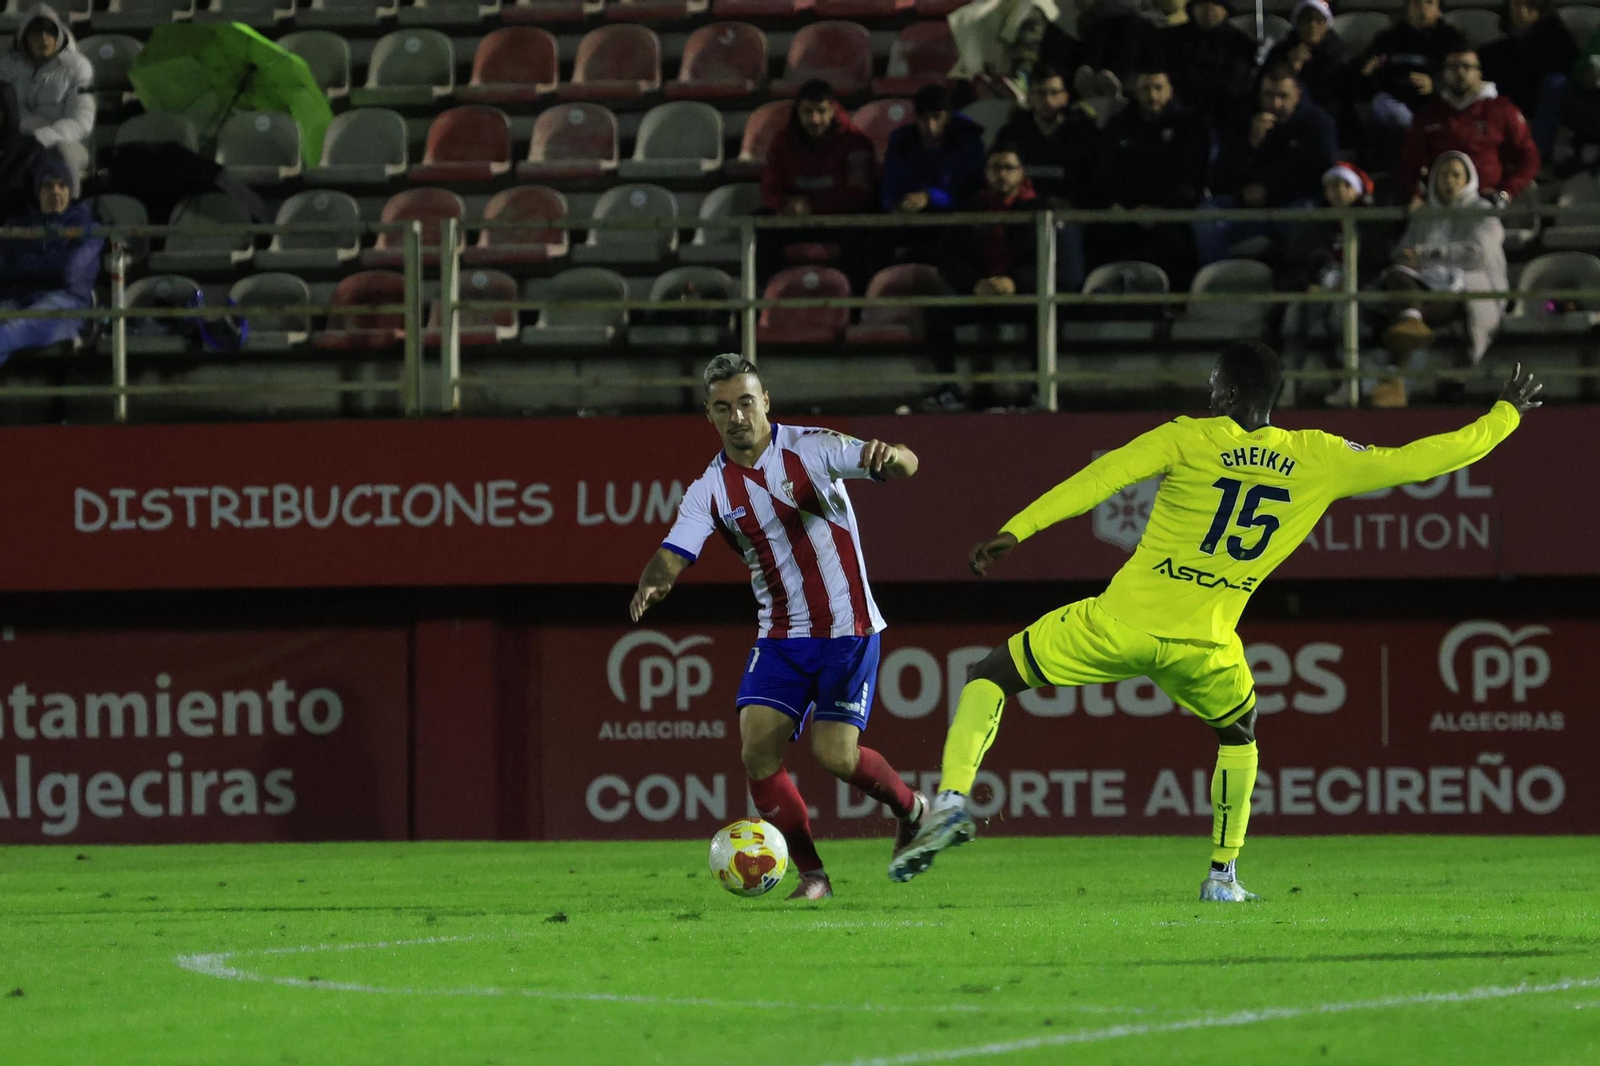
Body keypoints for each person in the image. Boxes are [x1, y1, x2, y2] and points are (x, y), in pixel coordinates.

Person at [889, 342, 1543, 897]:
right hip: (1206, 646)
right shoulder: (1318, 454)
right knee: (1240, 736)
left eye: (1212, 383)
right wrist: (1505, 416)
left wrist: (1016, 532)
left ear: (1227, 389)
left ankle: (950, 801)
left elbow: (1100, 481)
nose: (1208, 391)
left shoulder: (1188, 436)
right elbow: (1425, 457)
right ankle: (1223, 874)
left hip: (1119, 623)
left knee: (990, 674)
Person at [630, 355, 926, 902]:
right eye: (723, 408)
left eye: (745, 402)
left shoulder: (813, 447)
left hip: (849, 628)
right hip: (782, 636)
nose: (737, 415)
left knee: (835, 757)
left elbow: (901, 463)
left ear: (765, 401)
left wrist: (895, 458)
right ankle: (813, 874)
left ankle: (911, 809)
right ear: (710, 415)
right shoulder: (710, 489)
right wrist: (655, 580)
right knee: (756, 753)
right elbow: (675, 551)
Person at [1377, 151, 1508, 403]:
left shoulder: (1483, 211)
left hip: (1468, 286)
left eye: (1456, 175)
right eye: (1443, 174)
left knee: (1405, 315)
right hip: (1425, 283)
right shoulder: (1426, 212)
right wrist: (1406, 255)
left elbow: (1477, 254)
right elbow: (1403, 249)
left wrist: (1426, 254)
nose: (1449, 180)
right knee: (1396, 278)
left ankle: (1396, 379)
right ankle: (1411, 321)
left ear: (1467, 179)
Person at [1197, 63, 1337, 266]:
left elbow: (1321, 179)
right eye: (1268, 95)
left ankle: (1298, 283)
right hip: (1247, 209)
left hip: (1293, 205)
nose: (1275, 104)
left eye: (1283, 96)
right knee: (1206, 215)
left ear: (1297, 94)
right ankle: (1222, 282)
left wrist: (1270, 190)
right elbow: (1219, 178)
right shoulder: (1244, 117)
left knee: (1301, 215)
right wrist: (1249, 145)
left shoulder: (1317, 123)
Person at [1090, 65, 1211, 287]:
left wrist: (1161, 210)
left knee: (1175, 246)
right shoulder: (1119, 125)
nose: (1152, 95)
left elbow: (1192, 178)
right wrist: (1117, 206)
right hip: (1127, 214)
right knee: (1099, 236)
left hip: (1172, 215)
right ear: (1136, 91)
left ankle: (1173, 308)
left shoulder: (1190, 125)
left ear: (1170, 90)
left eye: (1158, 88)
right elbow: (1105, 175)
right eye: (1146, 88)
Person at [758, 79, 877, 285]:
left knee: (863, 229)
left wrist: (812, 206)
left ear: (833, 110)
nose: (814, 119)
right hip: (796, 217)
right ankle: (767, 303)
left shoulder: (856, 142)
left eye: (821, 111)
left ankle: (855, 305)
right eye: (807, 112)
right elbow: (769, 187)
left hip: (839, 220)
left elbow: (858, 194)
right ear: (798, 112)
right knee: (760, 224)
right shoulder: (782, 141)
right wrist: (784, 204)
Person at [1395, 47, 1540, 208]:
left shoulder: (1502, 109)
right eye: (1453, 67)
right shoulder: (1430, 113)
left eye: (1467, 66)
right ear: (1444, 73)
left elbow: (1529, 157)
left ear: (1479, 73)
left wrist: (1505, 193)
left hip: (1488, 206)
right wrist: (1415, 194)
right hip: (1440, 205)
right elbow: (1409, 161)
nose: (1460, 72)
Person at [0, 150, 102, 365]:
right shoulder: (17, 226)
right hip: (19, 300)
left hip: (65, 305)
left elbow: (68, 271)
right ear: (38, 191)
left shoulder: (90, 228)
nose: (55, 191)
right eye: (48, 185)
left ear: (71, 191)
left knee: (10, 331)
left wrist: (20, 265)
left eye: (62, 185)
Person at [1347, 0, 1466, 164]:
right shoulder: (1388, 38)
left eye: (1429, 2)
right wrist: (1368, 70)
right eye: (1416, 3)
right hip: (1395, 104)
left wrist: (1435, 84)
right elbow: (1362, 73)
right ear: (1407, 8)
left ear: (1438, 10)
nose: (1422, 7)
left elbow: (1465, 73)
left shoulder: (1452, 39)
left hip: (1436, 103)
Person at [879, 83, 986, 265]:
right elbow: (890, 185)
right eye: (923, 118)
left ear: (949, 117)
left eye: (937, 117)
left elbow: (973, 196)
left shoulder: (969, 144)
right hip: (909, 222)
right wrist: (894, 205)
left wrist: (931, 197)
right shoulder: (901, 143)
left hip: (954, 223)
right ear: (915, 117)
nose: (930, 125)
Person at [1479, 0, 1578, 160]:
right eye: (1517, 5)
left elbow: (1567, 74)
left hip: (1542, 103)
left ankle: (1536, 157)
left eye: (1529, 7)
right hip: (1507, 102)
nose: (1522, 12)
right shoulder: (1493, 51)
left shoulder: (1559, 39)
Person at [0, 6, 94, 158]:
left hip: (65, 142)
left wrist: (44, 137)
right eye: (36, 32)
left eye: (50, 31)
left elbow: (82, 121)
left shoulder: (77, 67)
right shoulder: (6, 68)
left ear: (59, 35)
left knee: (62, 156)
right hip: (16, 142)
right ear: (24, 36)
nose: (44, 37)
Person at [1162, 0, 1259, 124]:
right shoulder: (1170, 39)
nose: (1209, 8)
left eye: (1216, 3)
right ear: (1192, 8)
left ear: (1225, 10)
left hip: (1225, 113)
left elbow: (1235, 85)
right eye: (1202, 2)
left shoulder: (1241, 43)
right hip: (1179, 111)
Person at [1264, 0, 1349, 114]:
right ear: (1297, 23)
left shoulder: (1336, 52)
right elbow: (1265, 86)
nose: (1312, 26)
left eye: (1318, 21)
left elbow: (1333, 94)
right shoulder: (1281, 51)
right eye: (1307, 20)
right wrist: (1290, 68)